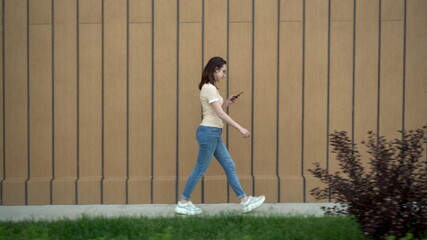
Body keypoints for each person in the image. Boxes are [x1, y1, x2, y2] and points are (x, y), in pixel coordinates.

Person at [175, 56, 265, 215]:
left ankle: (244, 201)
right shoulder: (209, 88)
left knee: (229, 165)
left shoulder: (210, 88)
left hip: (213, 132)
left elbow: (217, 112)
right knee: (200, 169)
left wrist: (227, 103)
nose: (225, 75)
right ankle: (183, 202)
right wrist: (240, 128)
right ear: (215, 69)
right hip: (209, 133)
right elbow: (220, 115)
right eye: (223, 71)